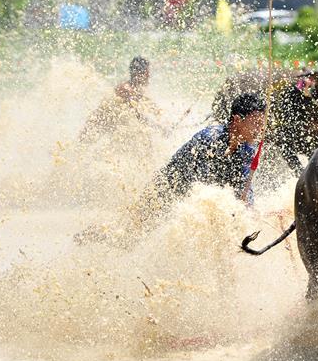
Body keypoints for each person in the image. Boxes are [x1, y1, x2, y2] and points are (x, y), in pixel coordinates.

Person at [75, 93, 266, 245]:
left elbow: (245, 187)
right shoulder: (211, 139)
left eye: (262, 123)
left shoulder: (247, 150)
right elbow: (202, 187)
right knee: (128, 239)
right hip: (164, 191)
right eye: (255, 122)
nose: (259, 129)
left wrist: (249, 209)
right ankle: (96, 234)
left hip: (187, 204)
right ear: (236, 120)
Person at [81, 56, 164, 140]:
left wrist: (161, 123)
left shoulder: (138, 91)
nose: (149, 76)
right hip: (97, 123)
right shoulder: (125, 89)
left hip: (108, 124)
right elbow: (138, 115)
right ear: (140, 74)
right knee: (82, 145)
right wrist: (157, 128)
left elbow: (149, 108)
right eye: (147, 73)